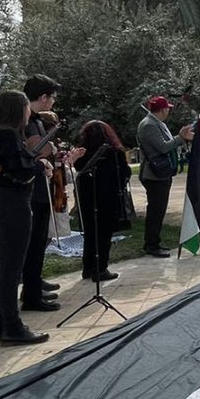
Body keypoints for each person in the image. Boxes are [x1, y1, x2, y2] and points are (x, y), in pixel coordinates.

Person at [0, 91, 55, 344]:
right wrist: (41, 166)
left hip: (1, 197)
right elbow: (21, 171)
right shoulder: (8, 135)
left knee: (3, 265)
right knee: (10, 268)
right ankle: (11, 326)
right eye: (26, 107)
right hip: (13, 201)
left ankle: (2, 325)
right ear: (17, 109)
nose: (28, 113)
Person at [20, 74, 64, 311]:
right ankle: (31, 295)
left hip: (38, 188)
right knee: (35, 243)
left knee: (38, 243)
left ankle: (33, 286)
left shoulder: (33, 118)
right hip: (34, 190)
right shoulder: (29, 121)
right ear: (43, 97)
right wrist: (52, 149)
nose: (53, 103)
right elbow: (40, 149)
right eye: (52, 98)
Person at [74, 120, 131, 282]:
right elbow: (125, 172)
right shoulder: (114, 151)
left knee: (90, 233)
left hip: (87, 198)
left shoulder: (83, 152)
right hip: (108, 197)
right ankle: (101, 268)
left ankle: (88, 268)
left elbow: (78, 168)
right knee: (104, 233)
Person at [138, 96, 193, 258]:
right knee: (156, 210)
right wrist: (180, 137)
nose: (169, 110)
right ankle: (152, 245)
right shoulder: (149, 125)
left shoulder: (156, 123)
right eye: (167, 108)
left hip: (161, 174)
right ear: (162, 110)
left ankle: (153, 241)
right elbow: (162, 147)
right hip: (154, 175)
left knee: (158, 210)